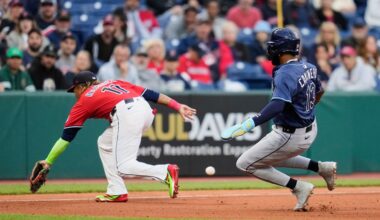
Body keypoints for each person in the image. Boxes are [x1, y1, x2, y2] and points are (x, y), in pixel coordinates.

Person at [221, 28, 337, 211]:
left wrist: (248, 124)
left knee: (245, 163)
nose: (270, 51)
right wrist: (305, 109)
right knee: (267, 157)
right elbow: (319, 92)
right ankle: (322, 168)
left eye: (273, 47)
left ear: (281, 50)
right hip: (310, 127)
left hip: (290, 135)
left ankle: (299, 187)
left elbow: (277, 106)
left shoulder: (285, 73)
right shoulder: (309, 66)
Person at [36, 71, 196, 202]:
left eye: (75, 89)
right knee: (104, 143)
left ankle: (165, 172)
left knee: (124, 166)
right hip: (145, 110)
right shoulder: (114, 82)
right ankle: (117, 190)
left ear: (84, 86)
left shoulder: (83, 101)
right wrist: (177, 105)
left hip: (127, 112)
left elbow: (66, 138)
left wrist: (49, 161)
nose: (75, 93)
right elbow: (151, 94)